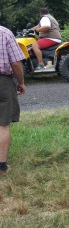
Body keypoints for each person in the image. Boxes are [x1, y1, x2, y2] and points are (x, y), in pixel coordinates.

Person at [0, 25, 27, 177]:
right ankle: (1, 166)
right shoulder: (5, 33)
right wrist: (21, 82)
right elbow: (16, 63)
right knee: (3, 124)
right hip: (2, 82)